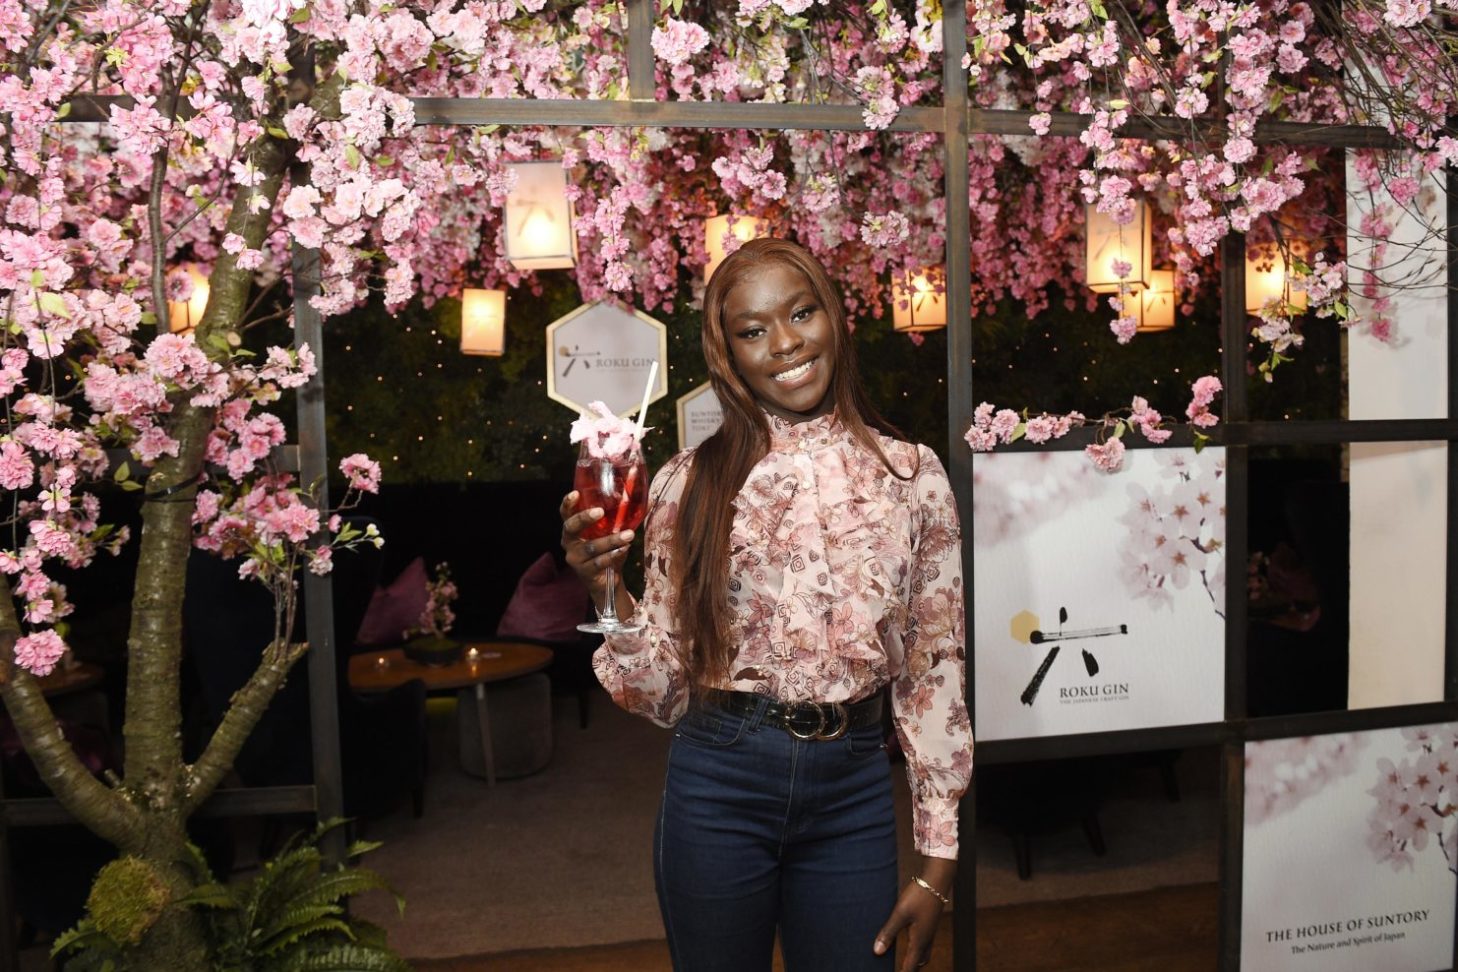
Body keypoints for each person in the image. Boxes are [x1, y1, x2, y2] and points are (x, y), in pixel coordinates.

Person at [560, 237, 972, 972]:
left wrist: (938, 853)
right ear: (728, 354)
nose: (785, 343)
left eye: (801, 313)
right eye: (753, 330)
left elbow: (933, 669)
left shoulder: (913, 477)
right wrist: (606, 590)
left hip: (853, 785)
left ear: (834, 316)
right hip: (719, 781)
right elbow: (660, 696)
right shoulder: (686, 484)